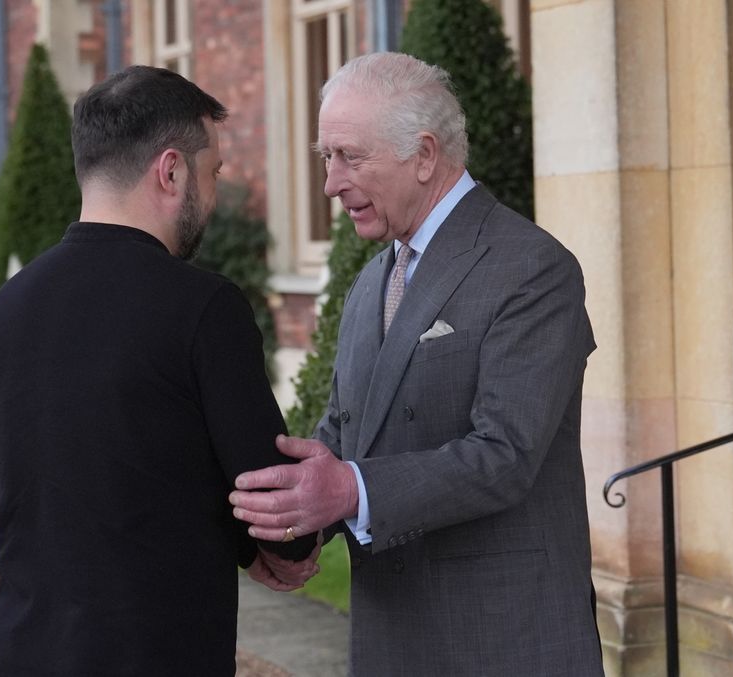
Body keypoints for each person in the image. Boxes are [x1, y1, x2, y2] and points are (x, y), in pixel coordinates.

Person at [230, 52, 605, 676]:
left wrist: (347, 489)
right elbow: (344, 436)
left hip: (505, 645)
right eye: (327, 158)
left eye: (350, 156)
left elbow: (505, 455)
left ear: (424, 155)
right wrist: (290, 529)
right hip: (389, 643)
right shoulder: (370, 281)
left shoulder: (533, 269)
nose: (331, 182)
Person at [0, 65, 317, 677]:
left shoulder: (9, 305)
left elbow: (76, 471)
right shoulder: (203, 307)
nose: (211, 195)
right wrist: (286, 546)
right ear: (171, 170)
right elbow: (270, 496)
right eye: (211, 172)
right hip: (153, 653)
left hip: (23, 649)